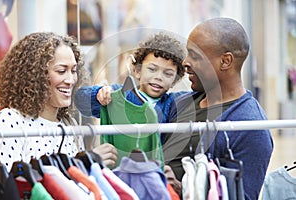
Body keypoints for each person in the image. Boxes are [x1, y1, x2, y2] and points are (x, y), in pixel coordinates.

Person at [162, 17, 273, 200]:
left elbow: (241, 197)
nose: (185, 62)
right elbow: (132, 104)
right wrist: (104, 93)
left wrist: (183, 189)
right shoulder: (179, 103)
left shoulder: (250, 127)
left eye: (195, 55)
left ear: (225, 61)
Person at [0, 32, 117, 170]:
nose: (70, 80)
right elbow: (12, 183)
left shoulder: (69, 124)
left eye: (73, 71)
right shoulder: (10, 121)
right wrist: (86, 160)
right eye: (61, 71)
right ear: (36, 75)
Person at [74, 32, 188, 167]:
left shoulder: (172, 103)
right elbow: (81, 99)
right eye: (152, 69)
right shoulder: (122, 95)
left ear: (175, 80)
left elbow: (200, 96)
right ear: (138, 71)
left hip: (151, 172)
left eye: (168, 74)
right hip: (117, 170)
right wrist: (99, 93)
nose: (159, 77)